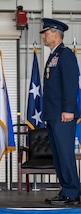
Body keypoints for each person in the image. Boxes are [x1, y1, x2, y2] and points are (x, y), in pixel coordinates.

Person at [40, 18, 81, 206]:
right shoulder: (53, 55)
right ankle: (66, 190)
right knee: (58, 155)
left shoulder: (65, 54)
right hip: (53, 113)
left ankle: (72, 191)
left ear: (55, 33)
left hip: (63, 114)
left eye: (45, 32)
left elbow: (71, 83)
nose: (43, 35)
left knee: (65, 153)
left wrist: (68, 109)